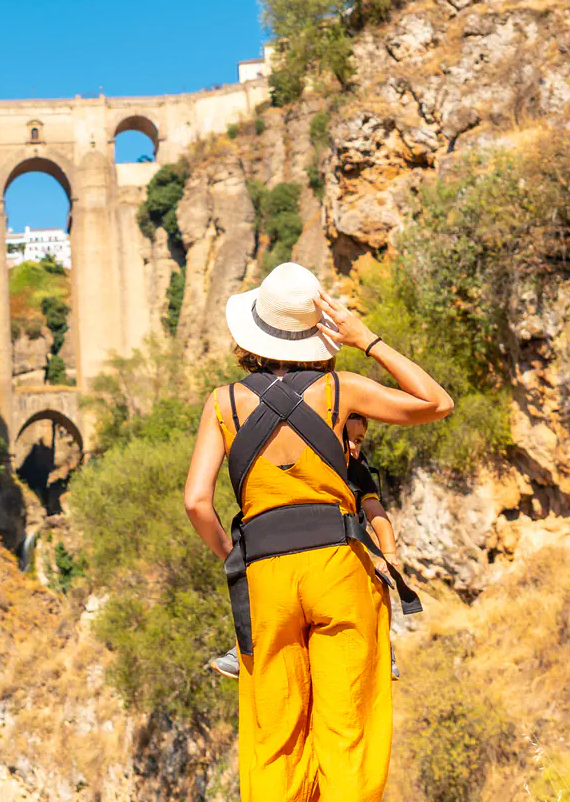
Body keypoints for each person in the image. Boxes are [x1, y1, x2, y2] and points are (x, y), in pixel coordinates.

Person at [182, 262, 453, 801]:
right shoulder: (341, 390)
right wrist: (367, 340)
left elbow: (196, 501)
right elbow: (436, 402)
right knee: (346, 727)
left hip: (266, 576)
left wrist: (232, 556)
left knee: (277, 732)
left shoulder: (222, 404)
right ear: (318, 333)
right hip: (339, 566)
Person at [207, 412, 401, 682]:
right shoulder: (310, 460)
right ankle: (243, 649)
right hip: (303, 548)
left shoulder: (358, 469)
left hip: (346, 549)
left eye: (360, 440)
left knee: (377, 582)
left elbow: (375, 511)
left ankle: (383, 647)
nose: (355, 447)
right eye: (349, 438)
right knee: (262, 583)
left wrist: (388, 554)